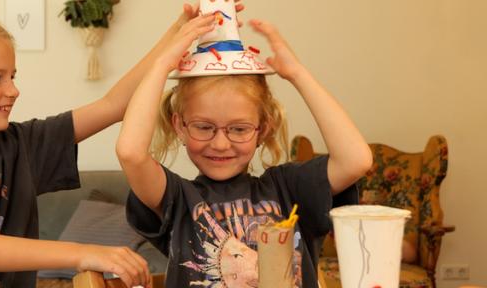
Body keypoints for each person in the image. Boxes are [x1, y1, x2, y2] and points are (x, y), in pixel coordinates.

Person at [0, 2, 243, 287]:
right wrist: (82, 253)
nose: (13, 90)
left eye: (12, 76)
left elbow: (113, 105)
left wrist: (177, 36)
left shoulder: (18, 146)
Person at [116, 11, 372, 288]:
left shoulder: (287, 188)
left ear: (262, 129)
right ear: (180, 126)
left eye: (239, 129)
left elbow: (355, 160)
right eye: (204, 127)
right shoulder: (177, 199)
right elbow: (131, 153)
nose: (221, 143)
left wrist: (298, 74)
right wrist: (162, 65)